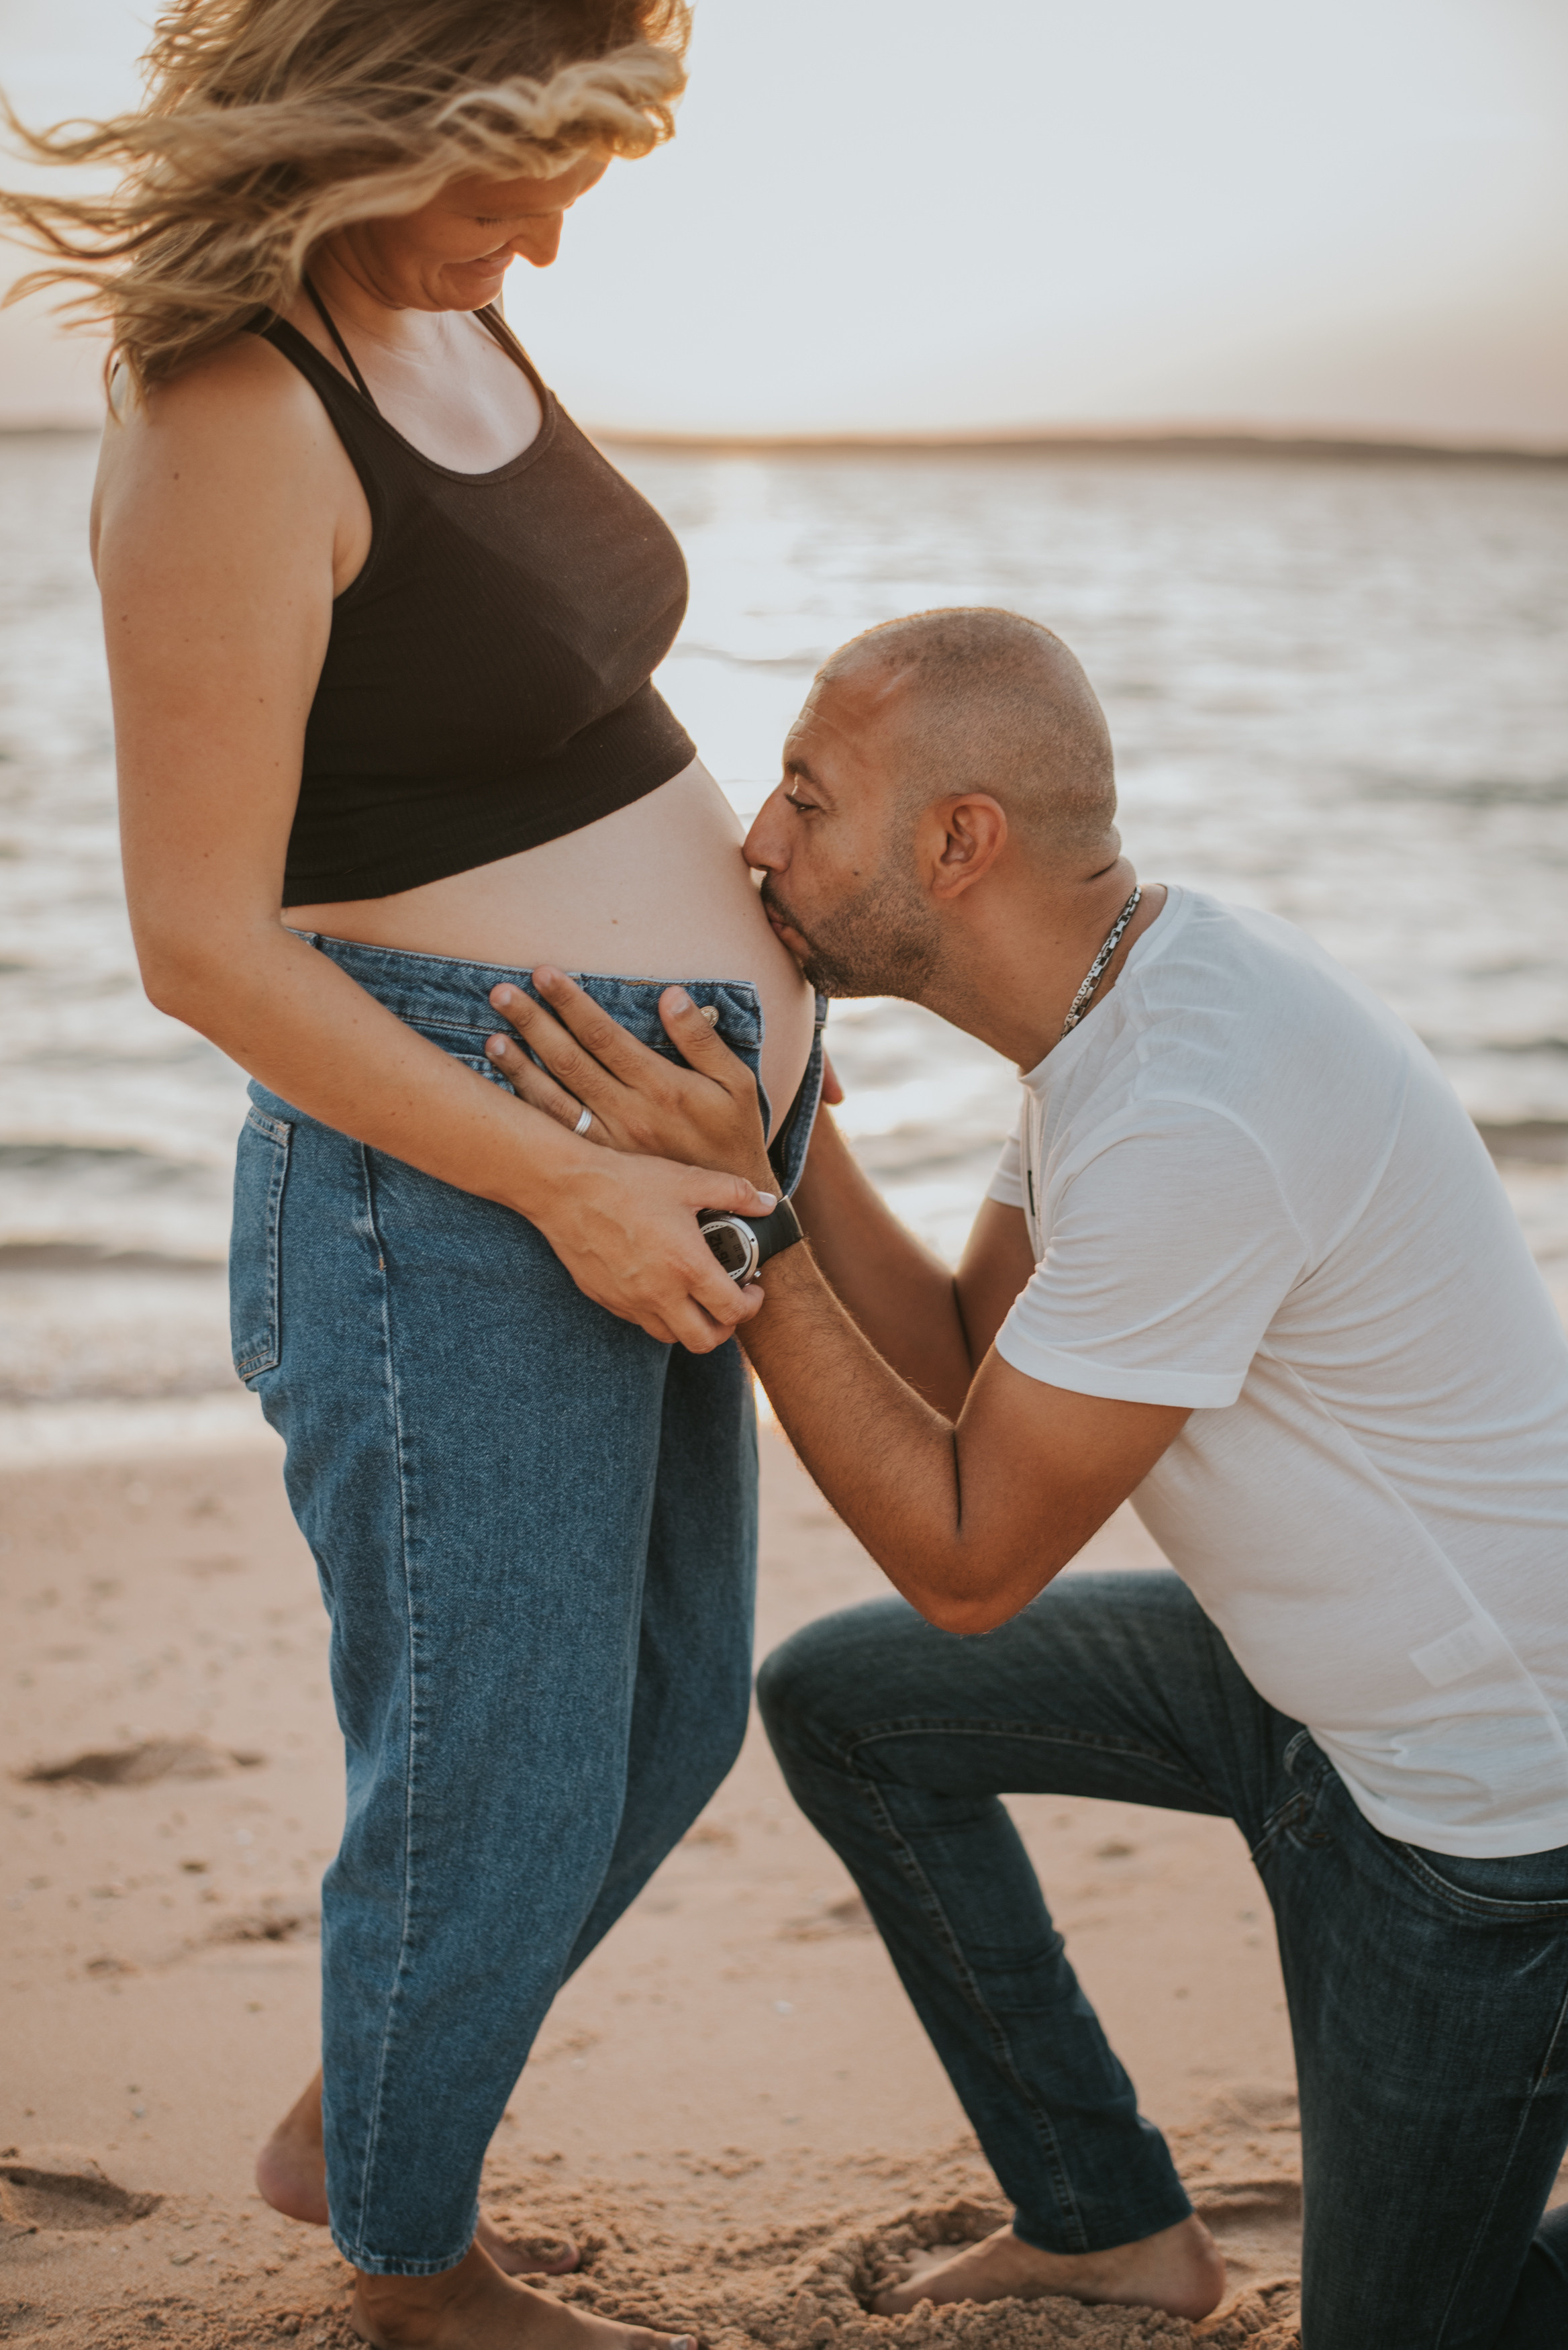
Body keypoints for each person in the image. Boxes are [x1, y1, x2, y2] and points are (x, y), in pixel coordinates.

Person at [3, 5, 821, 2341]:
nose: (543, 241)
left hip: (647, 1147)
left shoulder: (451, 318)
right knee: (493, 1764)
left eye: (575, 191)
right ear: (374, 119)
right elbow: (198, 941)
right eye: (509, 187)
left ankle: (364, 2110)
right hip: (452, 1181)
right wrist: (563, 1183)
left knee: (661, 1722)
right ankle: (412, 2266)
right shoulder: (231, 411)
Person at [487, 607, 1568, 2350]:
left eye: (807, 797)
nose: (758, 839)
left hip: (1483, 1810)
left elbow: (971, 1563)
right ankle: (1107, 2222)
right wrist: (779, 1124)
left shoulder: (1192, 1106)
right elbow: (963, 1353)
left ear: (958, 841)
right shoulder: (1113, 1012)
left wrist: (742, 1227)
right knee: (853, 1704)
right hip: (1298, 1690)